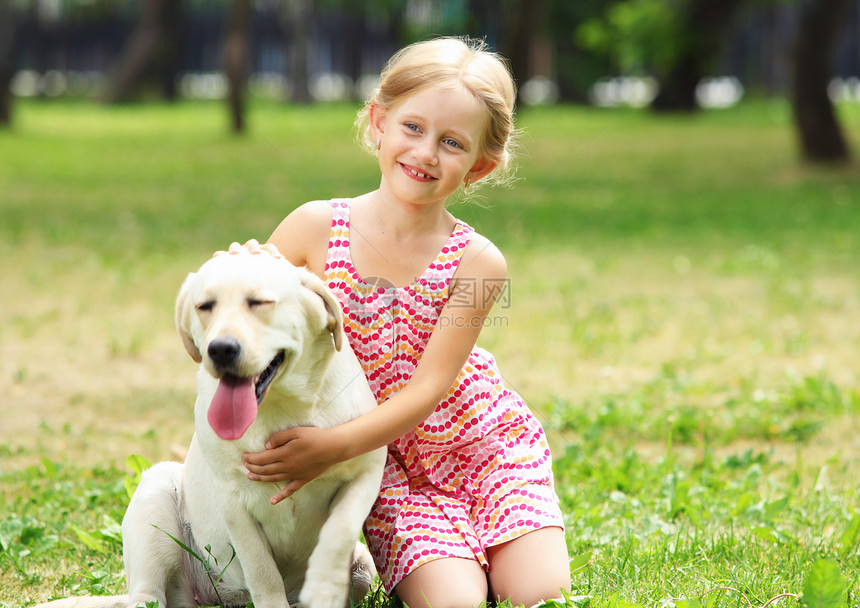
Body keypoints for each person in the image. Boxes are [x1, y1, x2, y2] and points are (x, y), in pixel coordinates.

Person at [241, 37, 570, 607]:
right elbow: (250, 323)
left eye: (451, 143)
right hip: (387, 467)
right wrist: (242, 273)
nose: (425, 153)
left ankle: (506, 541)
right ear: (378, 122)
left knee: (537, 595)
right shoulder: (314, 228)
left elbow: (429, 387)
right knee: (454, 603)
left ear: (479, 165)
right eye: (412, 128)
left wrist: (331, 446)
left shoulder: (478, 262)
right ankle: (450, 559)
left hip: (482, 446)